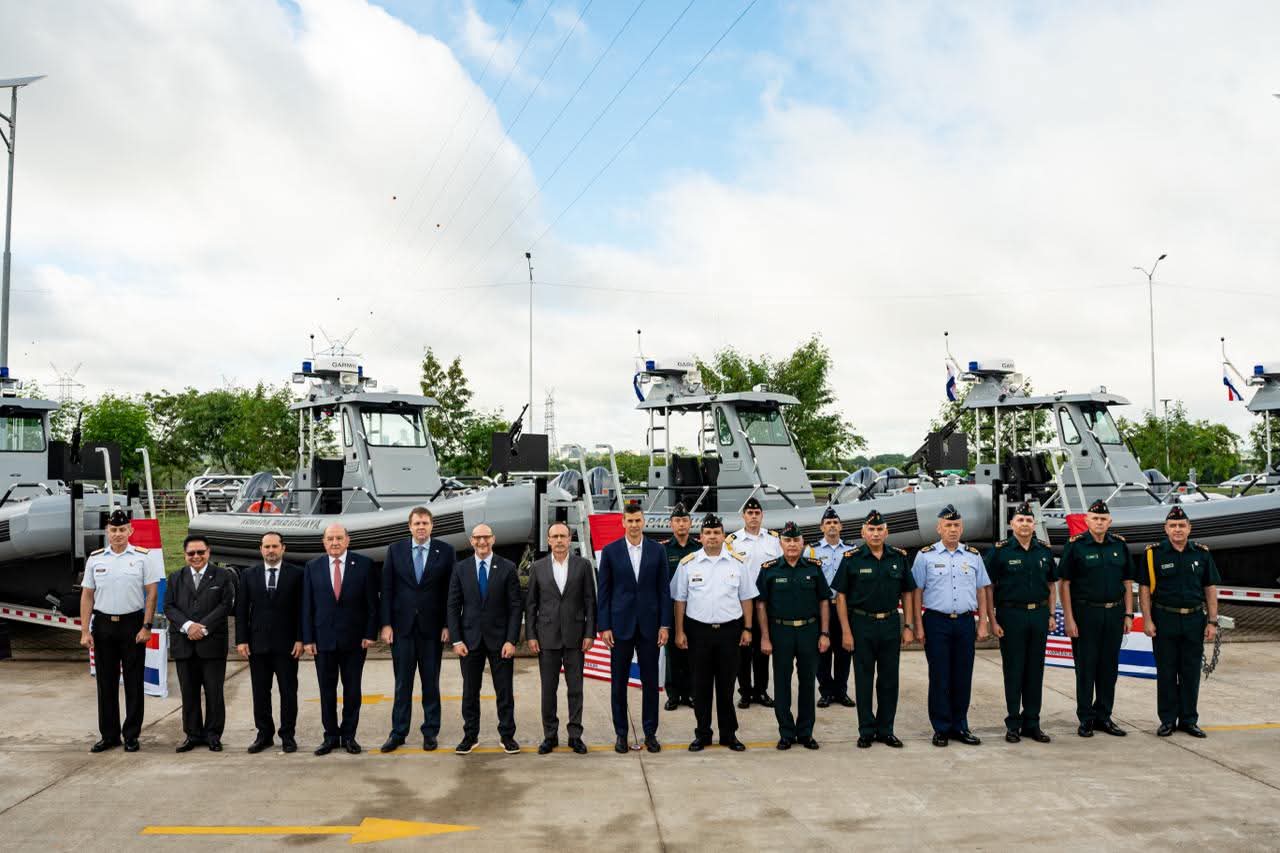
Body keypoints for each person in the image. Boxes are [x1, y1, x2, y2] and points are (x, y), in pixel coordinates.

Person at [78, 509, 163, 753]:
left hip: (133, 625)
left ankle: (132, 735)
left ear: (130, 531)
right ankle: (109, 735)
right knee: (106, 683)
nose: (117, 534)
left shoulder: (143, 557)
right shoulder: (95, 558)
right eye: (113, 530)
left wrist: (147, 626)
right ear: (107, 531)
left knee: (134, 682)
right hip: (103, 625)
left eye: (122, 530)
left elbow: (152, 594)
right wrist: (85, 630)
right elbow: (87, 596)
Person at [832, 509, 916, 749]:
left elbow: (908, 593)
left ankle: (886, 729)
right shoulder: (852, 559)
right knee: (864, 679)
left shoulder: (898, 557)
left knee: (890, 680)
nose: (876, 533)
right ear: (863, 532)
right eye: (871, 529)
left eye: (880, 529)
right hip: (862, 624)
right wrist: (846, 631)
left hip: (890, 623)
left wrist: (908, 625)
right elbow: (841, 597)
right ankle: (866, 730)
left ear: (886, 532)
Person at [671, 513, 754, 752]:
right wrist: (679, 631)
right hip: (699, 633)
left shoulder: (737, 563)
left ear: (724, 536)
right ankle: (703, 734)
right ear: (701, 537)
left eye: (717, 533)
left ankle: (729, 735)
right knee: (701, 686)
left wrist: (748, 628)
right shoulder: (688, 563)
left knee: (727, 687)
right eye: (708, 533)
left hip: (730, 631)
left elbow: (746, 597)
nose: (712, 537)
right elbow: (679, 600)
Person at [379, 507, 457, 753]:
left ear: (432, 525)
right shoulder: (395, 550)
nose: (421, 527)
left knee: (430, 683)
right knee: (402, 683)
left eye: (425, 523)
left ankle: (430, 731)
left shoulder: (446, 551)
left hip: (432, 629)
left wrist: (448, 625)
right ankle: (398, 732)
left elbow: (451, 592)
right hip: (402, 629)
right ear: (409, 526)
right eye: (417, 523)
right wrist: (386, 624)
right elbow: (387, 589)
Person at [912, 504, 991, 747]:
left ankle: (960, 726)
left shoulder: (973, 556)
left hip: (965, 622)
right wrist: (918, 625)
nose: (953, 529)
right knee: (940, 677)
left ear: (962, 527)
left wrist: (983, 622)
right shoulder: (925, 556)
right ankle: (941, 728)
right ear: (939, 528)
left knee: (962, 676)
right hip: (936, 622)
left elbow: (982, 590)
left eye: (956, 525)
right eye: (948, 525)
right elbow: (917, 591)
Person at [1140, 505, 1220, 738]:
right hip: (1164, 619)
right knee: (1166, 672)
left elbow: (1210, 588)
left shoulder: (1202, 554)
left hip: (1195, 619)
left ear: (1189, 529)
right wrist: (1147, 619)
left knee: (1190, 672)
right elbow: (1144, 589)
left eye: (1182, 525)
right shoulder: (1153, 554)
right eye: (1173, 525)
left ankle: (1188, 720)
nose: (1177, 529)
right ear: (1166, 529)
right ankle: (1167, 720)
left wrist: (1212, 621)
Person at [597, 502, 671, 754]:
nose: (634, 525)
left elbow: (664, 590)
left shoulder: (657, 551)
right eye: (630, 521)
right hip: (620, 627)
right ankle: (621, 734)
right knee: (618, 683)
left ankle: (650, 732)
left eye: (638, 520)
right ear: (623, 523)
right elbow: (604, 593)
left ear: (644, 521)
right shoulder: (610, 551)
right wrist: (604, 626)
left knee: (650, 682)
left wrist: (665, 624)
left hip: (650, 626)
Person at [1058, 499, 1134, 738]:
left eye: (1103, 519)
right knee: (1086, 667)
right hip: (1085, 613)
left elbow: (1127, 581)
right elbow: (1065, 583)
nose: (1099, 522)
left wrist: (1129, 614)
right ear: (1087, 521)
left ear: (1109, 522)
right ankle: (1086, 718)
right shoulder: (1076, 546)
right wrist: (1068, 618)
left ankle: (1104, 716)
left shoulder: (1119, 546)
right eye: (1095, 518)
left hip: (1113, 613)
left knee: (1109, 668)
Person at [302, 524, 379, 755]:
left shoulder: (364, 565)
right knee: (327, 691)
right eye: (330, 539)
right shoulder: (312, 567)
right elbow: (307, 606)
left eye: (339, 538)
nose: (334, 542)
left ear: (348, 540)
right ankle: (330, 737)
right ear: (324, 542)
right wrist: (307, 639)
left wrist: (369, 633)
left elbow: (372, 605)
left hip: (355, 641)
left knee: (352, 690)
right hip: (323, 641)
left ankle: (349, 736)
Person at [983, 503, 1056, 744]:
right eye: (1020, 520)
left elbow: (1051, 586)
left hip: (1038, 615)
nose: (1024, 524)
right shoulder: (1000, 551)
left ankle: (1032, 723)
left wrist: (1051, 615)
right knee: (1014, 670)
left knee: (1035, 671)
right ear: (1012, 524)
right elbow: (988, 587)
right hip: (1010, 616)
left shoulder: (1043, 551)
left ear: (1033, 525)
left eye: (1028, 520)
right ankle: (1013, 723)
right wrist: (991, 619)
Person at [447, 524, 522, 755]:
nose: (482, 542)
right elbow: (453, 605)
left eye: (486, 537)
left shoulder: (508, 568)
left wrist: (512, 640)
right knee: (470, 692)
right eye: (477, 538)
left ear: (493, 539)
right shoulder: (461, 569)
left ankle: (507, 735)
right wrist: (457, 640)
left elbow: (515, 607)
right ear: (471, 541)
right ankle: (470, 736)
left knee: (504, 691)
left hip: (501, 642)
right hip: (469, 642)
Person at [756, 521, 831, 750]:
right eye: (787, 540)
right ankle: (786, 732)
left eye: (796, 540)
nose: (792, 544)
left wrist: (825, 633)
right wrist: (765, 637)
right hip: (781, 632)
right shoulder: (769, 569)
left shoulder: (813, 567)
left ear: (803, 543)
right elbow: (761, 605)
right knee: (782, 683)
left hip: (809, 631)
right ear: (781, 543)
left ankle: (806, 732)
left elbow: (824, 601)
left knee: (808, 683)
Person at [526, 521, 597, 755]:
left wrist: (589, 633)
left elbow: (590, 602)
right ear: (548, 540)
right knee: (549, 689)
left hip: (576, 638)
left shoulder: (583, 566)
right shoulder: (537, 567)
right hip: (547, 638)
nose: (558, 540)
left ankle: (575, 735)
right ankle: (550, 735)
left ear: (569, 539)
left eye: (563, 536)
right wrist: (531, 635)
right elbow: (531, 605)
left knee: (575, 689)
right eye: (554, 536)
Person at [165, 534, 235, 752]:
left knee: (214, 692)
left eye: (200, 552)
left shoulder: (222, 576)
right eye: (191, 553)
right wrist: (187, 626)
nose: (196, 556)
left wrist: (202, 627)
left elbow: (225, 605)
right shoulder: (176, 577)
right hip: (184, 644)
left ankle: (213, 735)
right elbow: (168, 606)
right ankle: (193, 734)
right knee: (189, 691)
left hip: (212, 643)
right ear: (185, 555)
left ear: (208, 552)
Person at [235, 531, 303, 754]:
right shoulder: (248, 575)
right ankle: (264, 735)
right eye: (267, 547)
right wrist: (242, 640)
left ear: (283, 548)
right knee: (260, 692)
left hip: (287, 646)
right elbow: (242, 609)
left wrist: (301, 638)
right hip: (258, 645)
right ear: (261, 549)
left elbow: (303, 610)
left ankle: (288, 735)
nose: (271, 551)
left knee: (288, 692)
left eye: (275, 546)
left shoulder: (296, 574)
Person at [726, 496, 780, 709]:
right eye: (750, 513)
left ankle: (761, 690)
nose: (754, 517)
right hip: (742, 603)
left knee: (763, 648)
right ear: (743, 516)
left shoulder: (773, 540)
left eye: (757, 513)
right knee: (743, 650)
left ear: (762, 515)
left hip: (766, 602)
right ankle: (745, 692)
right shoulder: (732, 541)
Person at [812, 506, 855, 709]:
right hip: (822, 607)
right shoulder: (811, 551)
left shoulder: (851, 550)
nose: (832, 526)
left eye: (835, 522)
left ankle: (841, 691)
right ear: (822, 527)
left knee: (844, 651)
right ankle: (826, 691)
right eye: (828, 523)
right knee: (822, 651)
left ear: (841, 526)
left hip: (844, 608)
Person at [661, 503, 700, 711]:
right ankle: (674, 694)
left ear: (690, 523)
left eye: (685, 520)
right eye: (677, 520)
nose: (681, 524)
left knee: (693, 654)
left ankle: (692, 694)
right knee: (673, 655)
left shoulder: (699, 548)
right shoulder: (664, 549)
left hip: (695, 609)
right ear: (671, 524)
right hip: (671, 608)